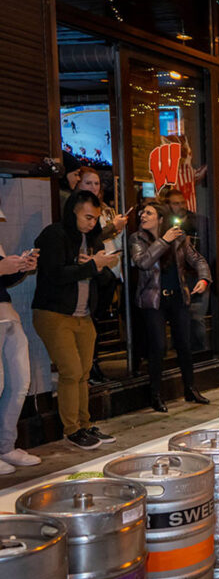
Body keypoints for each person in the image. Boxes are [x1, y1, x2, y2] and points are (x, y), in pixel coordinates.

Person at [32, 190, 119, 449]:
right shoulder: (54, 234)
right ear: (73, 211)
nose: (92, 223)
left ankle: (85, 425)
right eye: (87, 217)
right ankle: (72, 430)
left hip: (83, 316)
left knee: (83, 374)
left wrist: (97, 266)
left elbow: (107, 281)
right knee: (71, 372)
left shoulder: (93, 240)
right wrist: (91, 266)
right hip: (55, 315)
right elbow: (55, 274)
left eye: (96, 219)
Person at [129, 201, 211, 412]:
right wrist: (163, 241)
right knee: (157, 347)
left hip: (177, 297)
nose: (143, 216)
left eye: (149, 213)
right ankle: (155, 394)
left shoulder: (179, 238)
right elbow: (143, 262)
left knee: (184, 344)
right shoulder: (137, 239)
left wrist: (203, 279)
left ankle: (190, 388)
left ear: (161, 218)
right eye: (142, 213)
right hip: (153, 301)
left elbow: (198, 260)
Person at [77, 166, 127, 383]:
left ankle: (94, 365)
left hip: (109, 270)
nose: (94, 187)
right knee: (90, 322)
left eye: (96, 183)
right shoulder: (77, 209)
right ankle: (89, 367)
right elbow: (92, 238)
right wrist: (113, 229)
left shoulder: (106, 209)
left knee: (97, 322)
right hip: (90, 271)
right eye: (89, 183)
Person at [0, 244, 39, 473]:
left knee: (19, 382)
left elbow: (4, 278)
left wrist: (21, 267)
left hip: (6, 310)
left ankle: (6, 446)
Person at [165, 187, 211, 351]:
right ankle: (182, 350)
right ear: (168, 205)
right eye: (176, 203)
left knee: (197, 316)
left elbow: (202, 255)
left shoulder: (199, 221)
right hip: (177, 276)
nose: (181, 206)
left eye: (182, 202)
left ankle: (199, 351)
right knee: (180, 318)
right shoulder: (165, 224)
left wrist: (204, 275)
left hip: (195, 274)